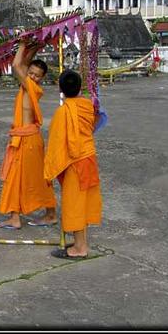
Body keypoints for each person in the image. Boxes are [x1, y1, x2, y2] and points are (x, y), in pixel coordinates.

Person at [0, 38, 57, 229]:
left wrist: (22, 44)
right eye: (30, 73)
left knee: (26, 177)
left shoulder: (32, 88)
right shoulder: (27, 86)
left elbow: (16, 65)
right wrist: (35, 46)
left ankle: (42, 214)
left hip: (28, 140)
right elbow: (22, 65)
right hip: (26, 138)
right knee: (26, 177)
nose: (32, 77)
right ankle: (33, 215)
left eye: (37, 75)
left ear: (43, 78)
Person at [44, 69, 102, 259]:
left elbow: (56, 143)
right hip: (89, 159)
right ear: (79, 88)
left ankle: (79, 248)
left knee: (75, 205)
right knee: (82, 203)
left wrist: (49, 170)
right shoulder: (87, 105)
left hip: (76, 162)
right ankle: (81, 242)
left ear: (60, 89)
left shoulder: (63, 112)